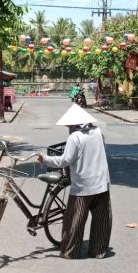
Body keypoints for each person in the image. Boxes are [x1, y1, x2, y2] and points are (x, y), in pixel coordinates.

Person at [38, 103, 112, 259]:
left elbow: (64, 161)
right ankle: (98, 251)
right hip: (102, 182)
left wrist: (45, 159)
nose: (68, 128)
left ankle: (70, 251)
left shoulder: (75, 137)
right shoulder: (98, 132)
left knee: (74, 220)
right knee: (102, 220)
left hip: (83, 185)